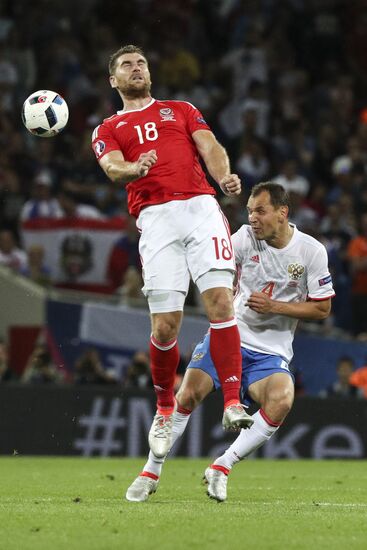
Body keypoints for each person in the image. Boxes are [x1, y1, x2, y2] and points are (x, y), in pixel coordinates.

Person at [125, 181, 335, 502]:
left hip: (271, 352)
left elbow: (322, 307)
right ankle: (151, 471)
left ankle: (222, 466)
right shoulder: (244, 239)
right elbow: (212, 264)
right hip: (230, 338)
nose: (253, 218)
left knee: (281, 401)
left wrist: (276, 307)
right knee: (189, 394)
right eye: (250, 211)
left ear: (282, 213)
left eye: (260, 211)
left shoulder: (311, 252)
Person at [92, 44, 252, 457]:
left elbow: (209, 144)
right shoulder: (107, 128)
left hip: (200, 208)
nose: (136, 68)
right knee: (165, 326)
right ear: (114, 80)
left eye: (142, 62)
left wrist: (224, 176)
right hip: (156, 219)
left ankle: (233, 401)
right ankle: (165, 408)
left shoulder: (180, 109)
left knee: (220, 302)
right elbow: (112, 168)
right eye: (126, 65)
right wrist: (135, 167)